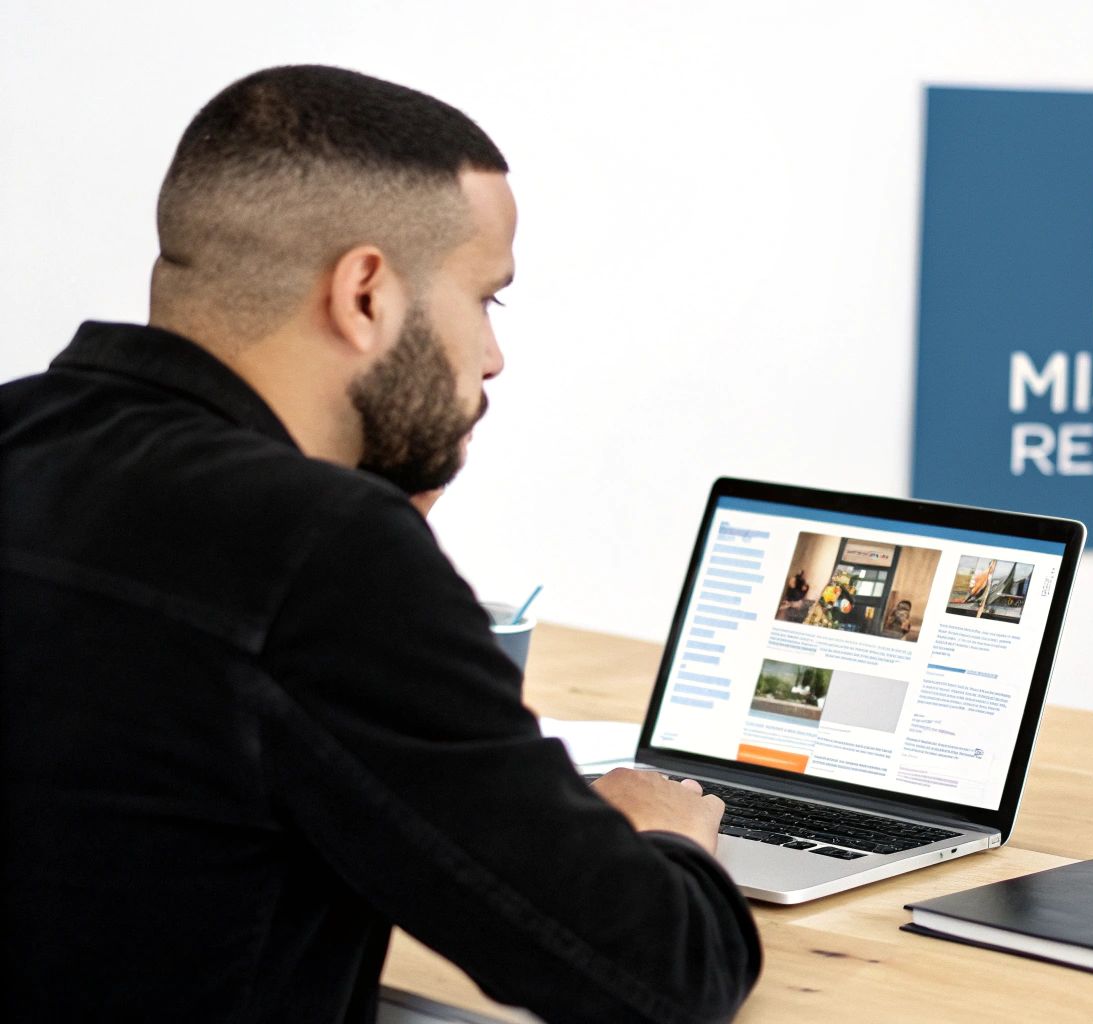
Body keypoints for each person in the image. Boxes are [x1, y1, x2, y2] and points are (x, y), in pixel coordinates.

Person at [0, 66, 759, 1023]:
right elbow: (664, 980)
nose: (493, 358)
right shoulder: (320, 551)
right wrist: (668, 833)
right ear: (364, 293)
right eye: (486, 299)